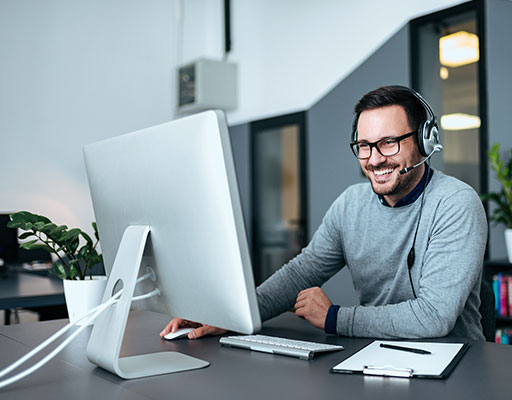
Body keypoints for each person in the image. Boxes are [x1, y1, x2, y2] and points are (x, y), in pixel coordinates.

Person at [160, 85, 487, 340]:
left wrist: (334, 318)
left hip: (454, 363)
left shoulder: (455, 203)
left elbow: (434, 316)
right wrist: (233, 315)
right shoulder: (350, 204)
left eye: (389, 143)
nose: (374, 159)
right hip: (378, 358)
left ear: (424, 141)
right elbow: (301, 273)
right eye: (364, 145)